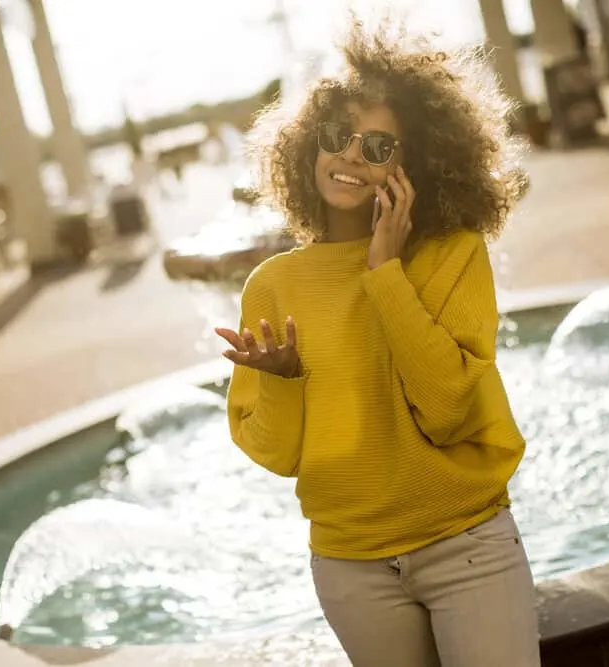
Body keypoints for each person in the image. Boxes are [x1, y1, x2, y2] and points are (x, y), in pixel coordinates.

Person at [213, 17, 539, 667]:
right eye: (337, 136)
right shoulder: (272, 285)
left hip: (466, 544)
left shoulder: (452, 254)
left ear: (415, 165)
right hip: (351, 566)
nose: (351, 157)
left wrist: (386, 273)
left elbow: (449, 411)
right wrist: (282, 381)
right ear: (309, 145)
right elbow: (277, 455)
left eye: (379, 147)